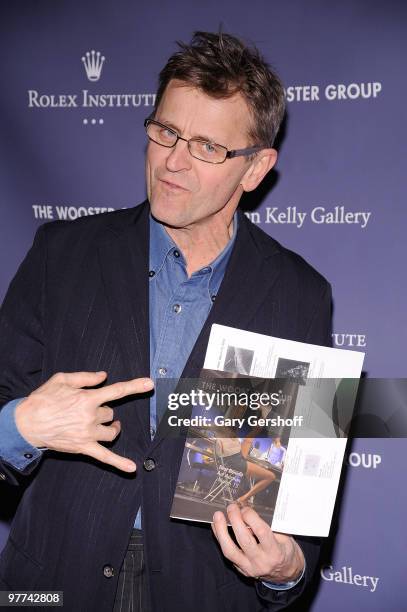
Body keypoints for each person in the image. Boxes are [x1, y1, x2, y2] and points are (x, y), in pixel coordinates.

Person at [0, 31, 332, 611]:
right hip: (51, 585)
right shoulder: (62, 254)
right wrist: (21, 427)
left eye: (207, 147)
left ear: (255, 169)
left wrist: (286, 565)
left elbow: (295, 508)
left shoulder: (299, 296)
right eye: (166, 132)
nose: (173, 162)